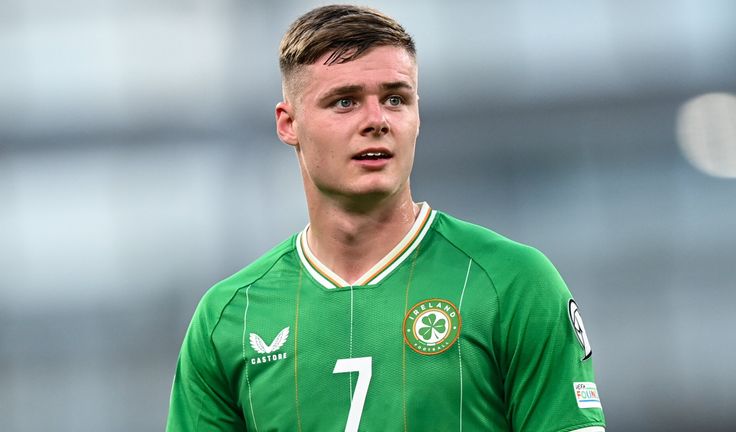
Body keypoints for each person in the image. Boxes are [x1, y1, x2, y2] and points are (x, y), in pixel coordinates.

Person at [166, 5, 606, 432]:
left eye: (396, 98)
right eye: (344, 102)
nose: (376, 120)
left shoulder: (513, 282)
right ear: (289, 124)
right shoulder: (228, 317)